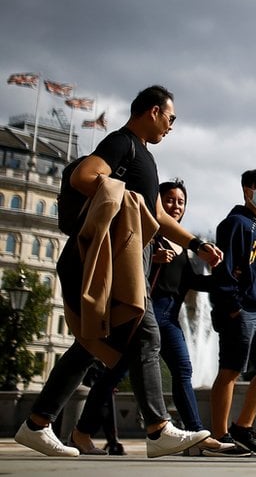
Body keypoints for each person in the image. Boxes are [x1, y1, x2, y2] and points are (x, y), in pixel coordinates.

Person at [15, 85, 223, 458]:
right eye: (170, 118)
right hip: (107, 261)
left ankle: (37, 424)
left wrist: (196, 244)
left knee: (89, 344)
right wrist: (127, 200)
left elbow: (157, 215)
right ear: (154, 111)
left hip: (124, 262)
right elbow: (84, 176)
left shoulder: (145, 156)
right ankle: (158, 428)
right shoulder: (121, 143)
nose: (171, 127)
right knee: (146, 334)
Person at [208, 168, 256, 456]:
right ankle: (219, 437)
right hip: (241, 307)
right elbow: (223, 270)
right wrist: (231, 308)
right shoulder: (234, 224)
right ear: (247, 190)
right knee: (230, 370)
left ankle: (243, 427)